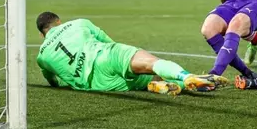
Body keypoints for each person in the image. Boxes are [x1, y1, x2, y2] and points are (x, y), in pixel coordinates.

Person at [36, 12, 228, 95]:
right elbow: (107, 41)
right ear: (59, 22)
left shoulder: (42, 56)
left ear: (42, 33)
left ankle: (158, 86)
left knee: (144, 81)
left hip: (95, 84)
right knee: (150, 64)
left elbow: (52, 80)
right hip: (104, 56)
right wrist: (122, 58)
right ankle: (186, 77)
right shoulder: (78, 23)